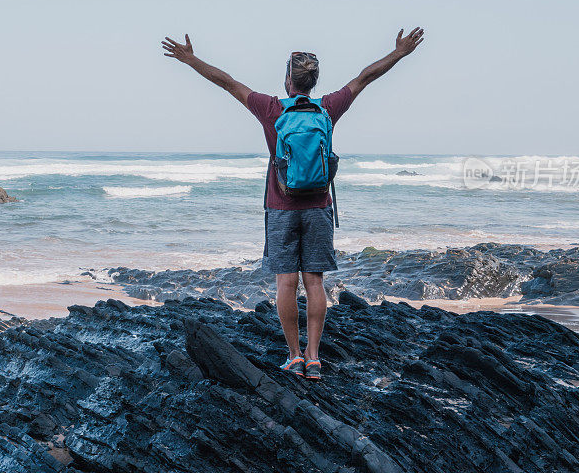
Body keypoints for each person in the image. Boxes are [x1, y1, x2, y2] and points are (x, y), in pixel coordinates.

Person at [162, 27, 425, 380]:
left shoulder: (270, 109)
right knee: (314, 281)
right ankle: (315, 358)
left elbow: (227, 82)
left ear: (288, 79)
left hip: (281, 208)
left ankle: (294, 356)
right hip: (318, 208)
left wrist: (190, 59)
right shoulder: (329, 107)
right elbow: (365, 78)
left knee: (286, 282)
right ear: (313, 81)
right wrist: (400, 53)